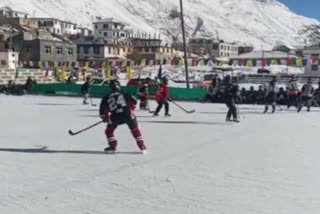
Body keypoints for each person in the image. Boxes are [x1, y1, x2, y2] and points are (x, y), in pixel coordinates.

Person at [99, 79, 147, 153]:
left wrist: (105, 117)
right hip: (128, 114)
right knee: (135, 129)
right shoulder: (125, 93)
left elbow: (102, 111)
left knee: (109, 131)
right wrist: (131, 107)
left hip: (115, 117)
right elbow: (134, 101)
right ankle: (141, 145)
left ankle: (113, 145)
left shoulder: (106, 97)